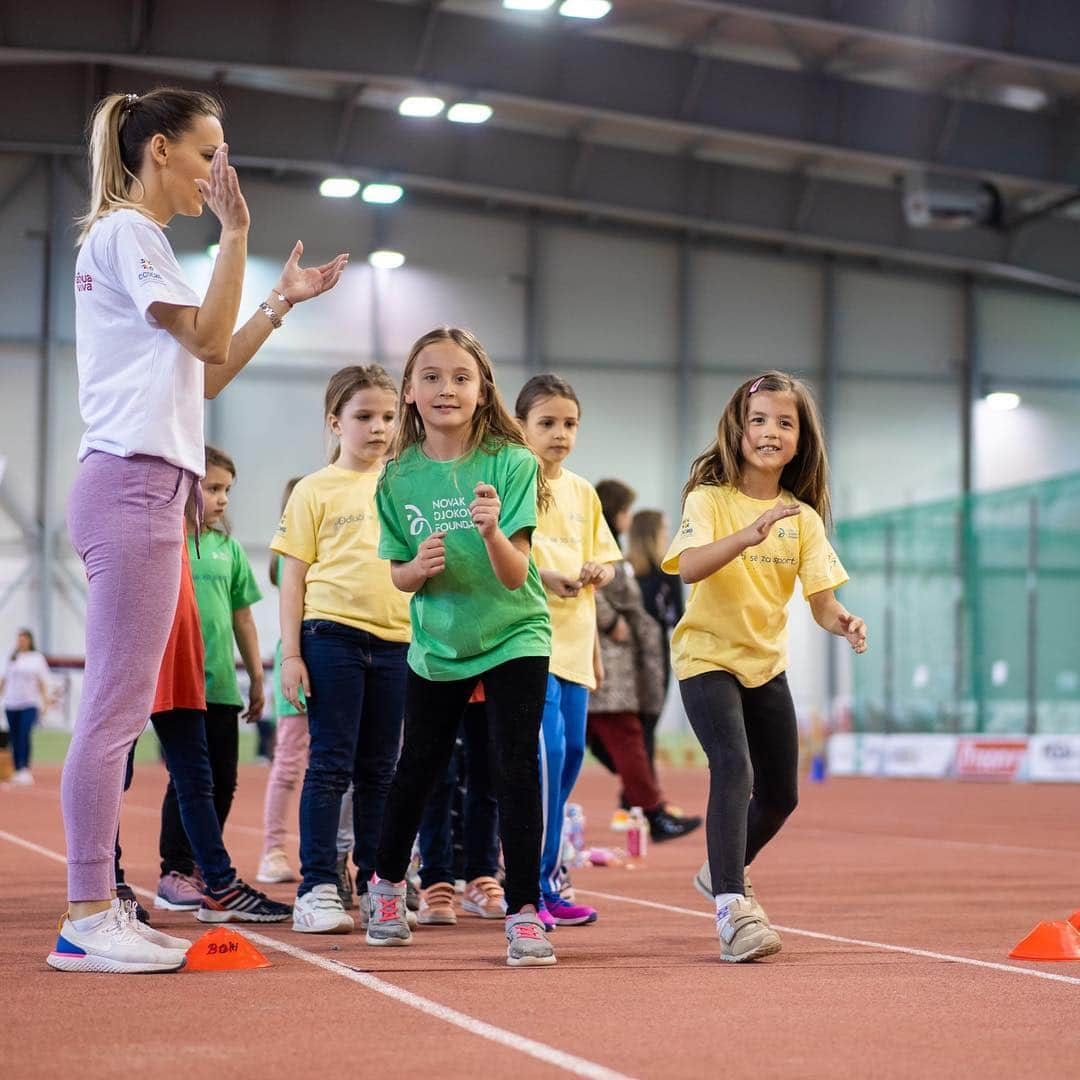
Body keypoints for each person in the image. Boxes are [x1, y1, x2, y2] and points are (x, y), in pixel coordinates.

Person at [54, 86, 346, 974]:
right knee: (112, 715)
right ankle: (84, 912)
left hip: (145, 487)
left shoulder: (142, 246)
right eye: (209, 151)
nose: (220, 169)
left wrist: (277, 302)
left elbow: (206, 371)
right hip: (134, 487)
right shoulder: (129, 234)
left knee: (118, 712)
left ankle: (97, 906)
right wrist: (237, 236)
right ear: (158, 152)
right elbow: (208, 339)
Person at [367, 327, 556, 968]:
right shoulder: (395, 478)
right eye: (431, 376)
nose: (445, 388)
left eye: (460, 377)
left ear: (482, 390)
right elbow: (398, 574)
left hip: (513, 632)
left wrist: (495, 530)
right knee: (418, 767)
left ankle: (526, 911)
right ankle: (387, 885)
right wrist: (417, 567)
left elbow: (513, 572)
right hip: (439, 644)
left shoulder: (512, 462)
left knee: (512, 768)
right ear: (411, 391)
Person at [663, 371, 867, 963]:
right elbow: (689, 567)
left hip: (764, 664)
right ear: (739, 430)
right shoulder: (709, 500)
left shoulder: (802, 518)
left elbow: (822, 602)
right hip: (705, 656)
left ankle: (720, 868)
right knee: (733, 767)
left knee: (781, 795)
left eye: (785, 423)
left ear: (800, 441)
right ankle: (732, 908)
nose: (771, 431)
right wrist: (746, 535)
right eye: (759, 421)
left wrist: (844, 621)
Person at [273, 365, 411, 935]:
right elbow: (292, 576)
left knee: (382, 770)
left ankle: (379, 885)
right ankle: (318, 887)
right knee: (331, 764)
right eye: (363, 417)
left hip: (398, 640)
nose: (378, 428)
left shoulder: (405, 483)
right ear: (336, 422)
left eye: (386, 416)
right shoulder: (314, 489)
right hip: (331, 635)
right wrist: (290, 654)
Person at [516, 374, 619, 929]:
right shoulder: (513, 483)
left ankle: (543, 874)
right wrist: (545, 576)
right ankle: (536, 884)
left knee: (572, 755)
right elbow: (496, 559)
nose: (560, 434)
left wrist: (597, 572)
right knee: (546, 759)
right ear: (521, 427)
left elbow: (600, 559)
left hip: (577, 647)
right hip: (531, 645)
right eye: (548, 423)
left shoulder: (582, 491)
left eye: (570, 424)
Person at [154, 445, 264, 906]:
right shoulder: (167, 541)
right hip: (180, 681)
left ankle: (204, 860)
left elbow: (242, 618)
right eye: (213, 488)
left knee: (224, 778)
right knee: (187, 780)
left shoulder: (228, 548)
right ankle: (174, 870)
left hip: (220, 684)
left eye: (227, 491)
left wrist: (257, 677)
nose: (221, 499)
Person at [588, 480, 702, 843]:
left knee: (620, 739)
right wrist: (612, 621)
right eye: (624, 512)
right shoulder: (598, 546)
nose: (627, 519)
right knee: (626, 739)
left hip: (622, 661)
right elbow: (591, 589)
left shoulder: (612, 548)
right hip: (607, 660)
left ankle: (647, 805)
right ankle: (651, 810)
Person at [256, 478, 307, 885]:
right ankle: (272, 849)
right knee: (289, 761)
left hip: (340, 656)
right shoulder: (283, 554)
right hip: (298, 655)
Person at [627, 509, 685, 775]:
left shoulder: (625, 570)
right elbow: (678, 617)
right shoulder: (666, 573)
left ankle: (639, 801)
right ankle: (642, 802)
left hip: (628, 653)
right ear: (653, 534)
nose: (667, 535)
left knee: (638, 727)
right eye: (664, 530)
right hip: (651, 656)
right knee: (646, 725)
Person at [0, 629, 54, 786]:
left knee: (24, 733)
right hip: (11, 702)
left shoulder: (37, 659)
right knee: (14, 736)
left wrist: (46, 702)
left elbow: (43, 681)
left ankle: (24, 768)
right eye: (19, 639)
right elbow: (3, 680)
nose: (21, 642)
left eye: (24, 639)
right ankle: (17, 768)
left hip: (30, 702)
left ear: (30, 640)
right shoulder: (11, 658)